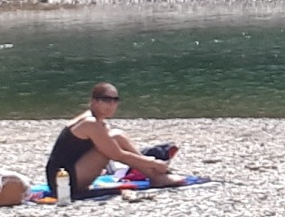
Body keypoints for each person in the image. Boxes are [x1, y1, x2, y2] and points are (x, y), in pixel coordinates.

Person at [43, 82, 181, 200]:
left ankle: (153, 175)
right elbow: (118, 155)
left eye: (115, 100)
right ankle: (154, 175)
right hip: (63, 181)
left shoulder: (96, 120)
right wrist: (154, 163)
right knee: (110, 146)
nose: (112, 104)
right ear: (94, 101)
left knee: (117, 135)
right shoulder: (90, 123)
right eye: (106, 99)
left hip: (71, 172)